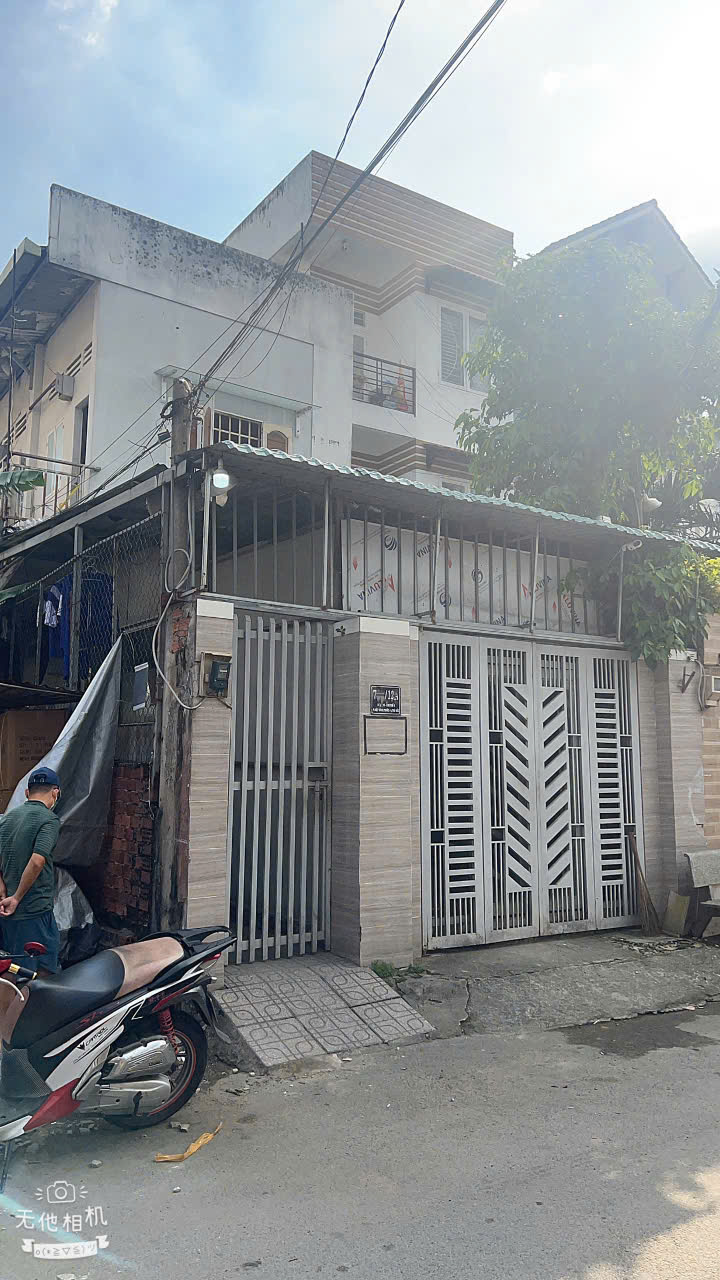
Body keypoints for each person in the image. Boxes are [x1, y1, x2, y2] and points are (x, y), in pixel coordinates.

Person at [0, 767, 62, 975]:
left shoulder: (6, 818)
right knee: (39, 974)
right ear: (55, 792)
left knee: (11, 969)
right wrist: (17, 898)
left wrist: (3, 894)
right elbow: (37, 861)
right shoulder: (48, 820)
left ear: (27, 793)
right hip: (33, 911)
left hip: (6, 914)